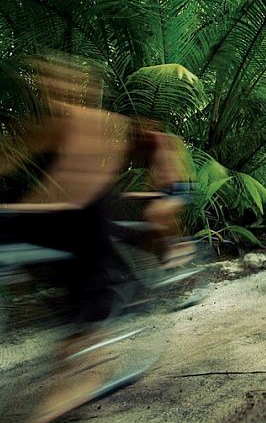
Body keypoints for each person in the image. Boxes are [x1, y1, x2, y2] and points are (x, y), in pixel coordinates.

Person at [0, 56, 190, 421]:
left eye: (66, 83)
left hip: (89, 222)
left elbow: (84, 186)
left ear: (83, 89)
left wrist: (32, 208)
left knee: (156, 215)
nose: (56, 90)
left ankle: (172, 253)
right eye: (49, 83)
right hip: (65, 218)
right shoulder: (49, 125)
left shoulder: (108, 126)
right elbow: (13, 158)